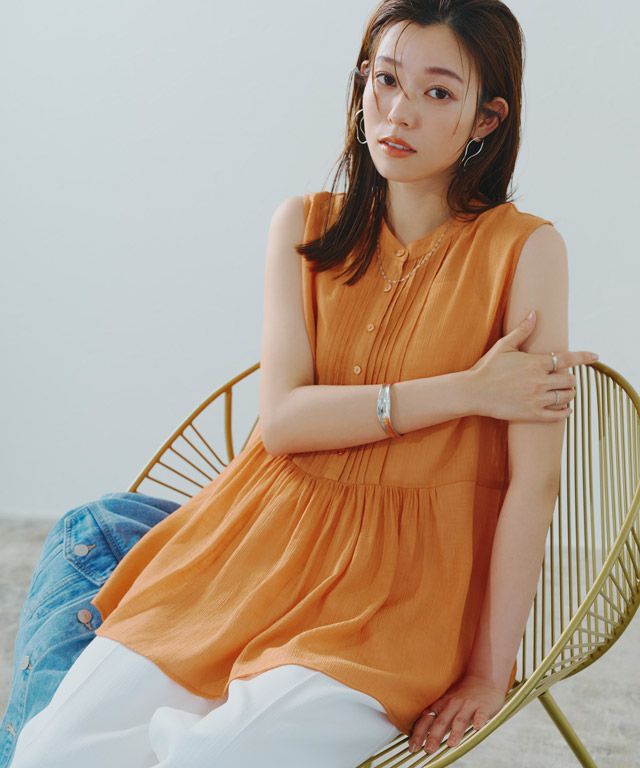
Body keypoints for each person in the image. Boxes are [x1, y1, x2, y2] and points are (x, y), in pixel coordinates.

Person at [5, 2, 600, 767]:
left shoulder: (526, 250)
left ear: (486, 118)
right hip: (245, 550)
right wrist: (467, 391)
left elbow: (533, 483)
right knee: (51, 750)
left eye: (437, 92)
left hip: (399, 597)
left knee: (212, 758)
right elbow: (284, 422)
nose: (399, 112)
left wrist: (489, 672)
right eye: (386, 80)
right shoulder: (303, 226)